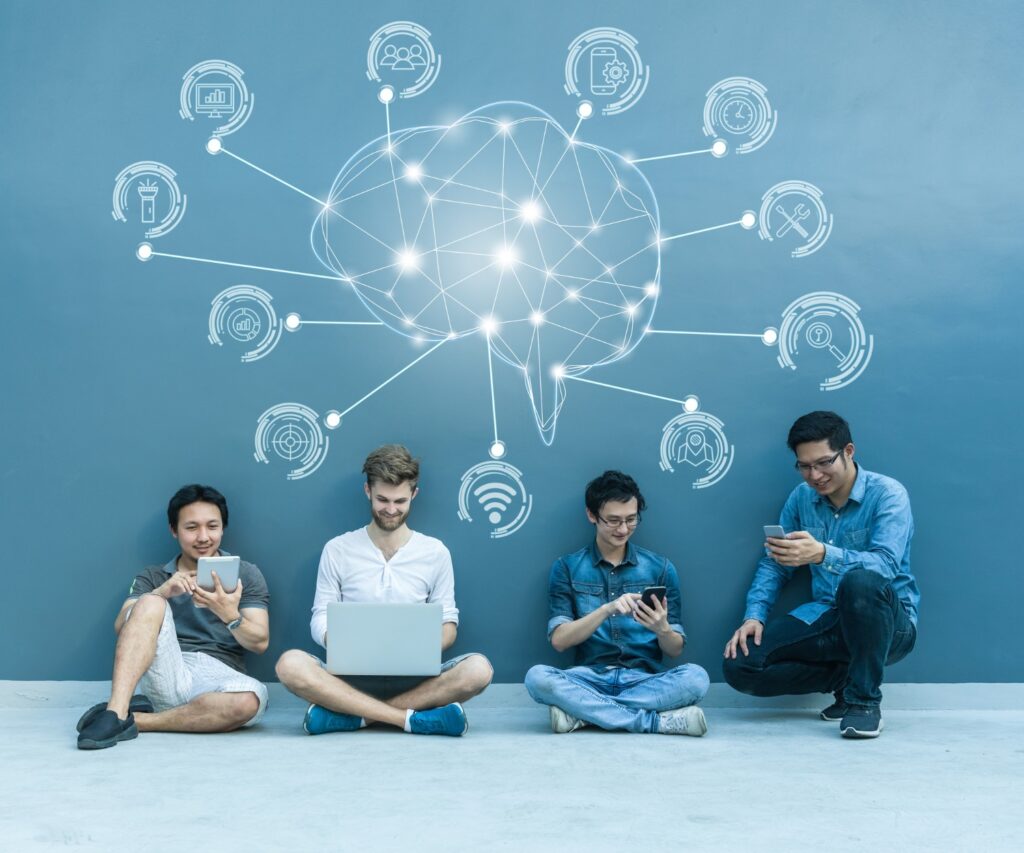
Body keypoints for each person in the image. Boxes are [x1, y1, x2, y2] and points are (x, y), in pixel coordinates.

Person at [722, 411, 919, 738]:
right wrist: (753, 616)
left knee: (861, 581)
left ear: (849, 452)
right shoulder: (801, 498)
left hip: (888, 624)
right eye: (804, 466)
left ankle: (864, 702)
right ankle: (846, 680)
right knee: (740, 665)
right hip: (826, 617)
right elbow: (774, 563)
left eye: (824, 462)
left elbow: (885, 566)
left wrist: (823, 554)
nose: (814, 475)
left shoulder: (888, 494)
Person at [275, 445, 493, 737]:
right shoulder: (337, 549)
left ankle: (355, 717)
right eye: (382, 500)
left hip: (418, 679)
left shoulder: (435, 552)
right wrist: (347, 645)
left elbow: (449, 625)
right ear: (367, 491)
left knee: (479, 670)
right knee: (289, 665)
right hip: (349, 678)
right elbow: (320, 619)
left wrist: (412, 649)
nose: (391, 510)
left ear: (414, 495)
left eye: (400, 501)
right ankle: (409, 719)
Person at [76, 484, 270, 750]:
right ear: (174, 530)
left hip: (221, 677)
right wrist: (163, 592)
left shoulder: (245, 574)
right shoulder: (153, 576)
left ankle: (137, 720)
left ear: (223, 528)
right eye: (192, 528)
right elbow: (122, 626)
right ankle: (117, 710)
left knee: (248, 701)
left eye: (212, 526)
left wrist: (228, 614)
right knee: (149, 602)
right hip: (170, 667)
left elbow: (260, 642)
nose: (203, 537)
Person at [524, 471, 710, 735]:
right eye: (613, 521)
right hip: (588, 678)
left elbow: (675, 649)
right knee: (537, 678)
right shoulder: (566, 567)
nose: (623, 529)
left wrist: (662, 629)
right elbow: (560, 640)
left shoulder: (661, 568)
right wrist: (606, 609)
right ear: (592, 515)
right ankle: (653, 723)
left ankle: (585, 715)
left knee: (697, 679)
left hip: (645, 680)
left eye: (631, 520)